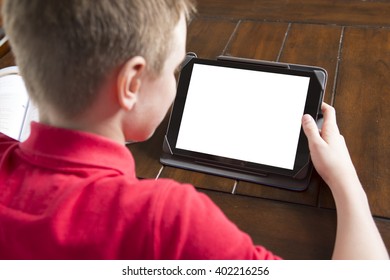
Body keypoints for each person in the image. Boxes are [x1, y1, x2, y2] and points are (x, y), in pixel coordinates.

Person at [0, 0, 387, 260]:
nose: (175, 81)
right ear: (131, 84)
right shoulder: (166, 220)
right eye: (173, 69)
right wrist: (344, 177)